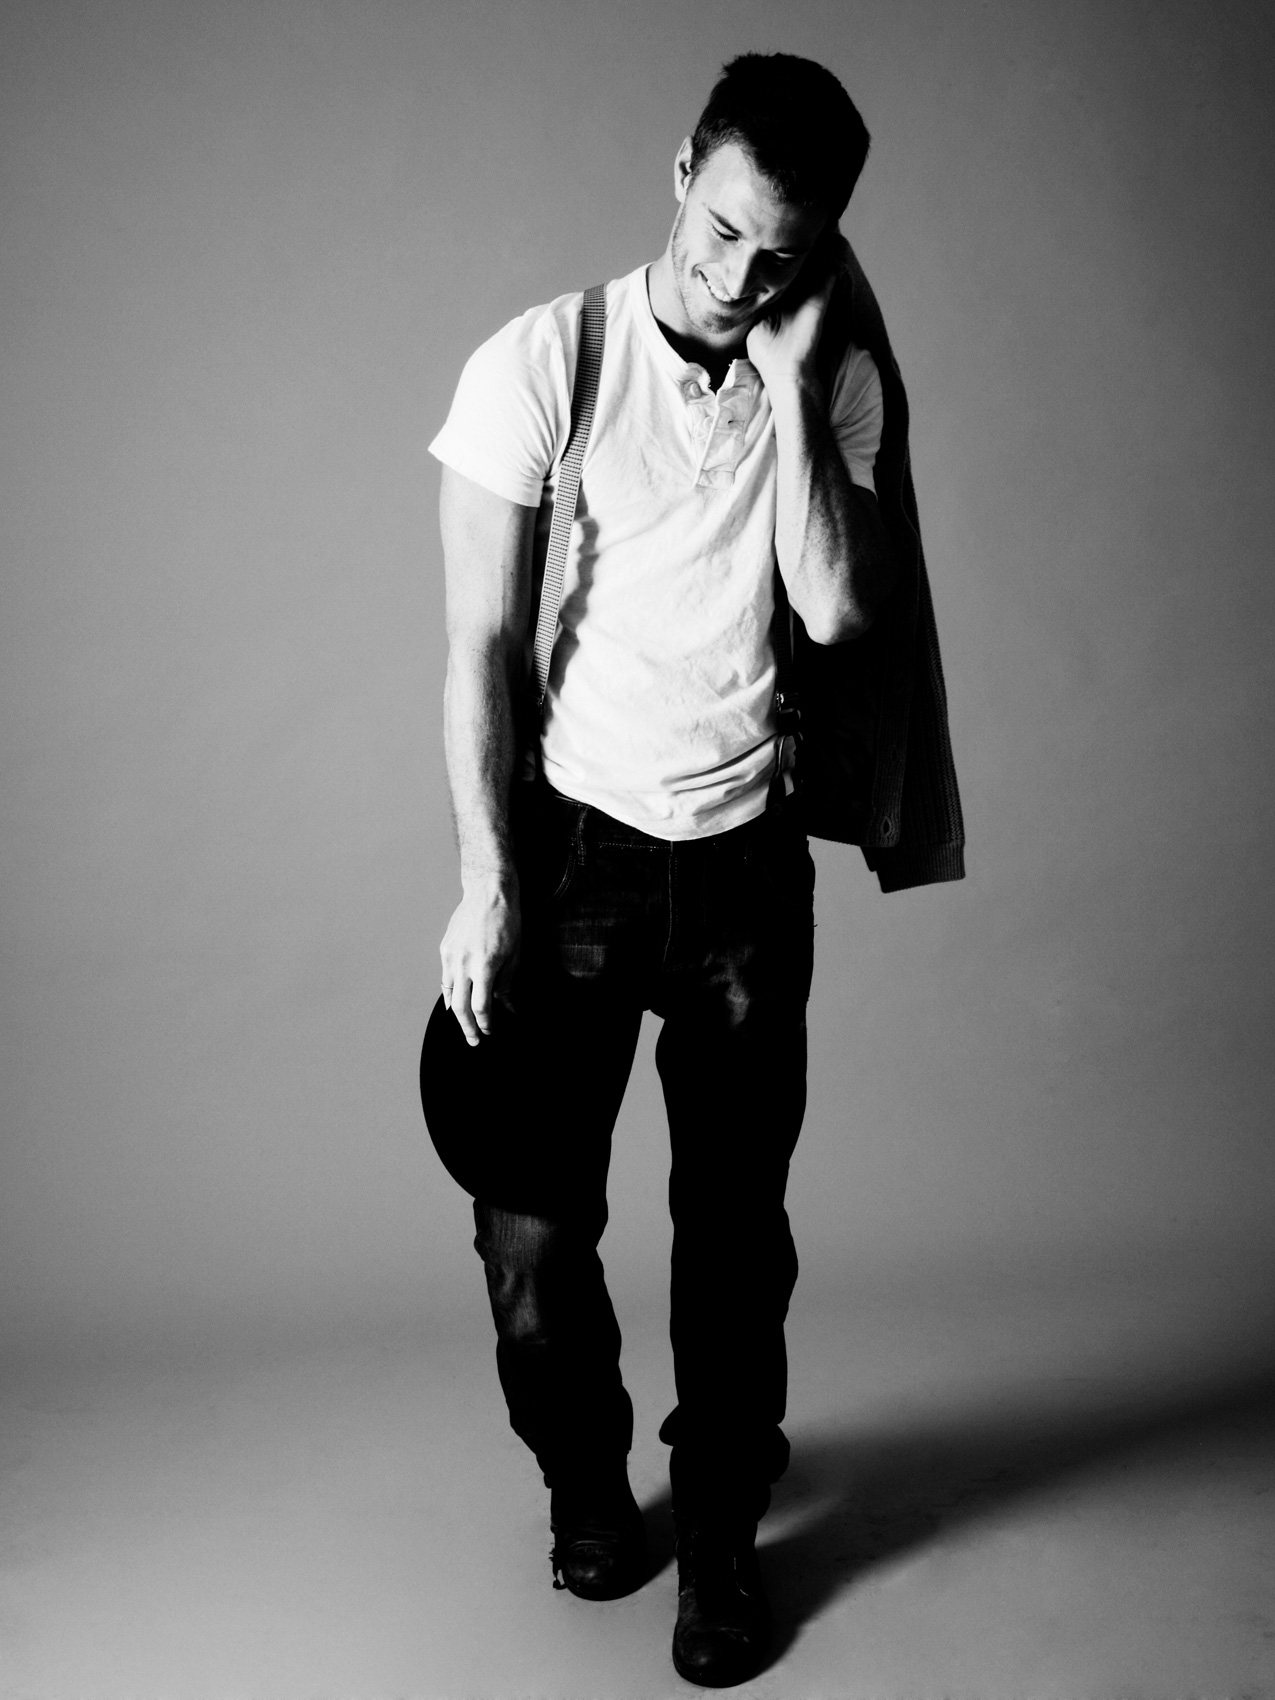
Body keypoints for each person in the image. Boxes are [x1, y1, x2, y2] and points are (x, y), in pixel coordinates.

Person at [424, 52, 963, 1688]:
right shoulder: (546, 361)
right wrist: (488, 881)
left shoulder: (834, 375)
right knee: (528, 1236)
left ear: (825, 247)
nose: (740, 277)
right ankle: (586, 1482)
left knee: (734, 1238)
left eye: (782, 255)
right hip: (575, 854)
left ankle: (721, 1532)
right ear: (680, 173)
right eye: (722, 231)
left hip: (741, 872)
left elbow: (842, 609)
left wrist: (790, 390)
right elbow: (480, 648)